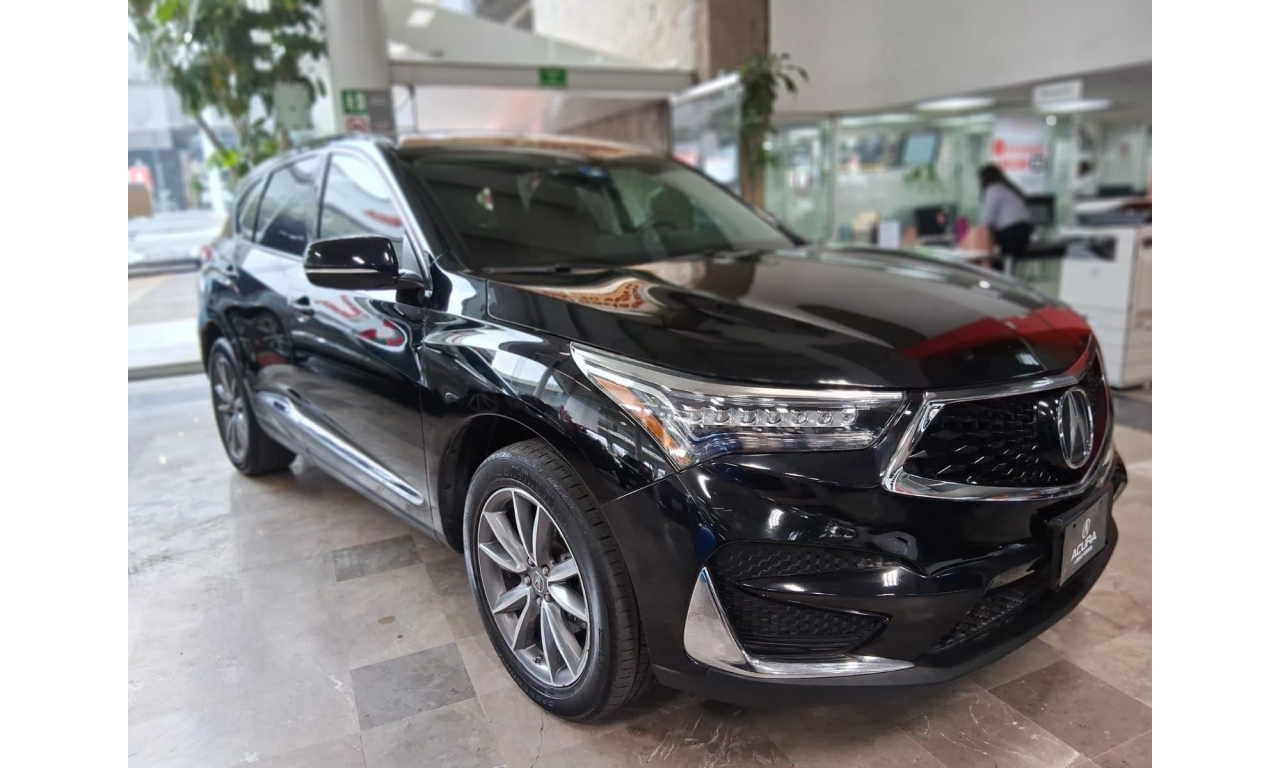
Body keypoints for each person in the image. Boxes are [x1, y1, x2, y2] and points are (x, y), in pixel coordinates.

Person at [978, 163, 1032, 270]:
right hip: (1024, 229)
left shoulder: (993, 190)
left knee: (1001, 264)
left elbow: (988, 220)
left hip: (1010, 231)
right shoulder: (1008, 189)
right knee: (1012, 264)